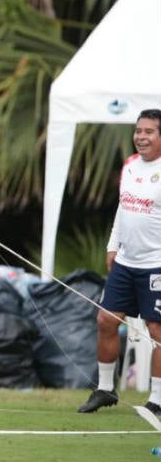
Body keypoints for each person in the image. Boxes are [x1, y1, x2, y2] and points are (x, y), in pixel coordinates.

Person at [79, 108, 161, 415]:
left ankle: (157, 400)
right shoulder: (129, 166)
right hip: (126, 262)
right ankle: (104, 389)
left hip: (156, 264)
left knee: (157, 331)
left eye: (149, 131)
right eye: (138, 131)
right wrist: (113, 245)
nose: (141, 137)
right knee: (106, 320)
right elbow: (123, 208)